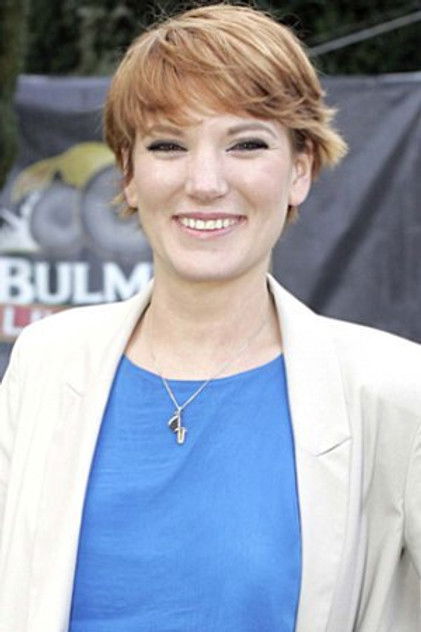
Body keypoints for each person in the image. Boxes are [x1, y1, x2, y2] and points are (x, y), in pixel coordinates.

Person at [0, 4, 420, 631]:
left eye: (246, 144)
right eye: (168, 145)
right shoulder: (45, 362)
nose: (204, 182)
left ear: (300, 169)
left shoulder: (395, 391)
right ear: (129, 173)